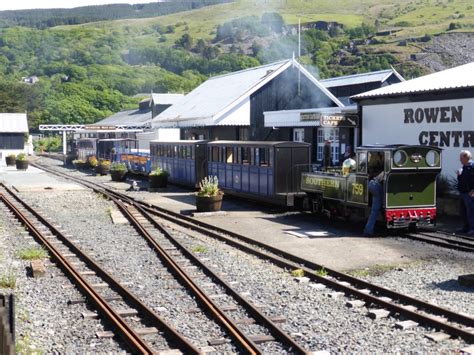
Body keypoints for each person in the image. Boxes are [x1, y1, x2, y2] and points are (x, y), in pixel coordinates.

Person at [363, 152, 385, 237]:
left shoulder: (382, 169)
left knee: (378, 207)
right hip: (376, 185)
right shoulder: (386, 170)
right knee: (375, 209)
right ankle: (368, 230)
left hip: (373, 184)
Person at [457, 150, 474, 236]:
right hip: (463, 192)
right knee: (463, 211)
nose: (460, 160)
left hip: (470, 193)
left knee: (471, 211)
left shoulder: (472, 166)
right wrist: (459, 175)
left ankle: (472, 229)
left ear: (466, 157)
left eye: (461, 158)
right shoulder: (464, 167)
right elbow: (462, 180)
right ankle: (466, 228)